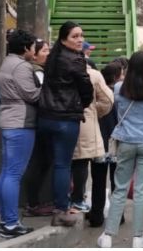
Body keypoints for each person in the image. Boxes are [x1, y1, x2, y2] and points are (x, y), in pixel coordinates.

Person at [97, 52, 143, 248]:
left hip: (126, 142)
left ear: (129, 68)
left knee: (120, 188)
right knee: (141, 190)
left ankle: (108, 236)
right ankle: (138, 237)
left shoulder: (119, 87)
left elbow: (116, 107)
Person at [37, 21, 94, 227]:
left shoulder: (52, 57)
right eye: (75, 36)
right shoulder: (75, 60)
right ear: (64, 39)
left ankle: (43, 202)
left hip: (45, 117)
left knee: (50, 162)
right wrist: (81, 104)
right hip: (65, 118)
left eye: (81, 35)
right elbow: (86, 89)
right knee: (63, 164)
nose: (80, 40)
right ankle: (61, 208)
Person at [0, 30, 41, 238]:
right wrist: (49, 87)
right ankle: (11, 224)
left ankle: (5, 220)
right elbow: (32, 94)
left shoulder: (7, 62)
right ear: (25, 48)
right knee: (14, 174)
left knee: (7, 173)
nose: (35, 50)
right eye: (33, 46)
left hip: (8, 121)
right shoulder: (22, 66)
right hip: (20, 122)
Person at [69, 59, 113, 213]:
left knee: (63, 163)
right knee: (81, 161)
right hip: (84, 123)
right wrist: (95, 112)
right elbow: (108, 100)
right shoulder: (93, 75)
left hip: (59, 120)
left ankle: (63, 199)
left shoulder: (57, 71)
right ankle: (77, 199)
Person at [87, 62, 124, 228]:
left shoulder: (97, 94)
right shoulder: (121, 95)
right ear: (117, 77)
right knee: (117, 182)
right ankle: (118, 216)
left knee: (98, 181)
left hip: (99, 142)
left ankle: (96, 215)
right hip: (117, 143)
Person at [23, 39, 55, 217]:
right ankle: (34, 203)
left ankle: (33, 202)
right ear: (34, 54)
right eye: (44, 50)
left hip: (34, 122)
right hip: (38, 122)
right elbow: (43, 95)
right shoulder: (37, 72)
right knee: (39, 163)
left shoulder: (34, 70)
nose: (48, 53)